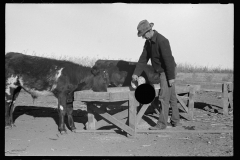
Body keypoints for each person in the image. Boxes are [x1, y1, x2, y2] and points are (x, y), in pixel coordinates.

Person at [132, 20, 181, 130]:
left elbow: (168, 61)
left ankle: (162, 124)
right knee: (172, 96)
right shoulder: (148, 43)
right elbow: (143, 59)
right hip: (161, 70)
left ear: (149, 31)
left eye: (143, 35)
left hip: (168, 70)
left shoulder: (162, 40)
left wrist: (171, 77)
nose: (143, 38)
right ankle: (176, 121)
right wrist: (136, 73)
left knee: (163, 97)